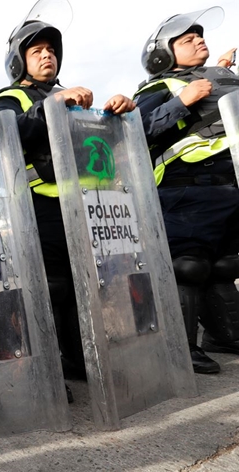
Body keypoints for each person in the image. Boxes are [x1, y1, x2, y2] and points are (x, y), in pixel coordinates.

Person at [0, 5, 136, 392]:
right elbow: (7, 134)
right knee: (50, 288)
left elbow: (98, 146)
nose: (47, 55)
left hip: (83, 206)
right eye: (36, 50)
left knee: (82, 286)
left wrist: (119, 113)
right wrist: (52, 104)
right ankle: (45, 370)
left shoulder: (71, 97)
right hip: (38, 206)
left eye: (51, 50)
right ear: (18, 60)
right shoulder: (9, 97)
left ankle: (78, 360)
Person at [133, 6, 239, 373]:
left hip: (229, 186)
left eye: (200, 36)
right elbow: (137, 130)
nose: (199, 41)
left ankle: (224, 336)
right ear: (164, 51)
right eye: (188, 39)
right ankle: (179, 346)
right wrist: (181, 101)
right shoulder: (159, 86)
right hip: (185, 190)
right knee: (188, 267)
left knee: (226, 265)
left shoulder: (223, 77)